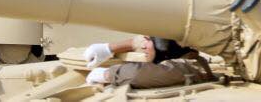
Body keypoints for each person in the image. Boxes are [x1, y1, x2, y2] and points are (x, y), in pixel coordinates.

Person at [84, 36, 214, 89]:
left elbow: (137, 74)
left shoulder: (189, 67)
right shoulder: (167, 46)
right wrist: (108, 49)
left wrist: (108, 74)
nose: (144, 45)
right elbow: (147, 41)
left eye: (149, 41)